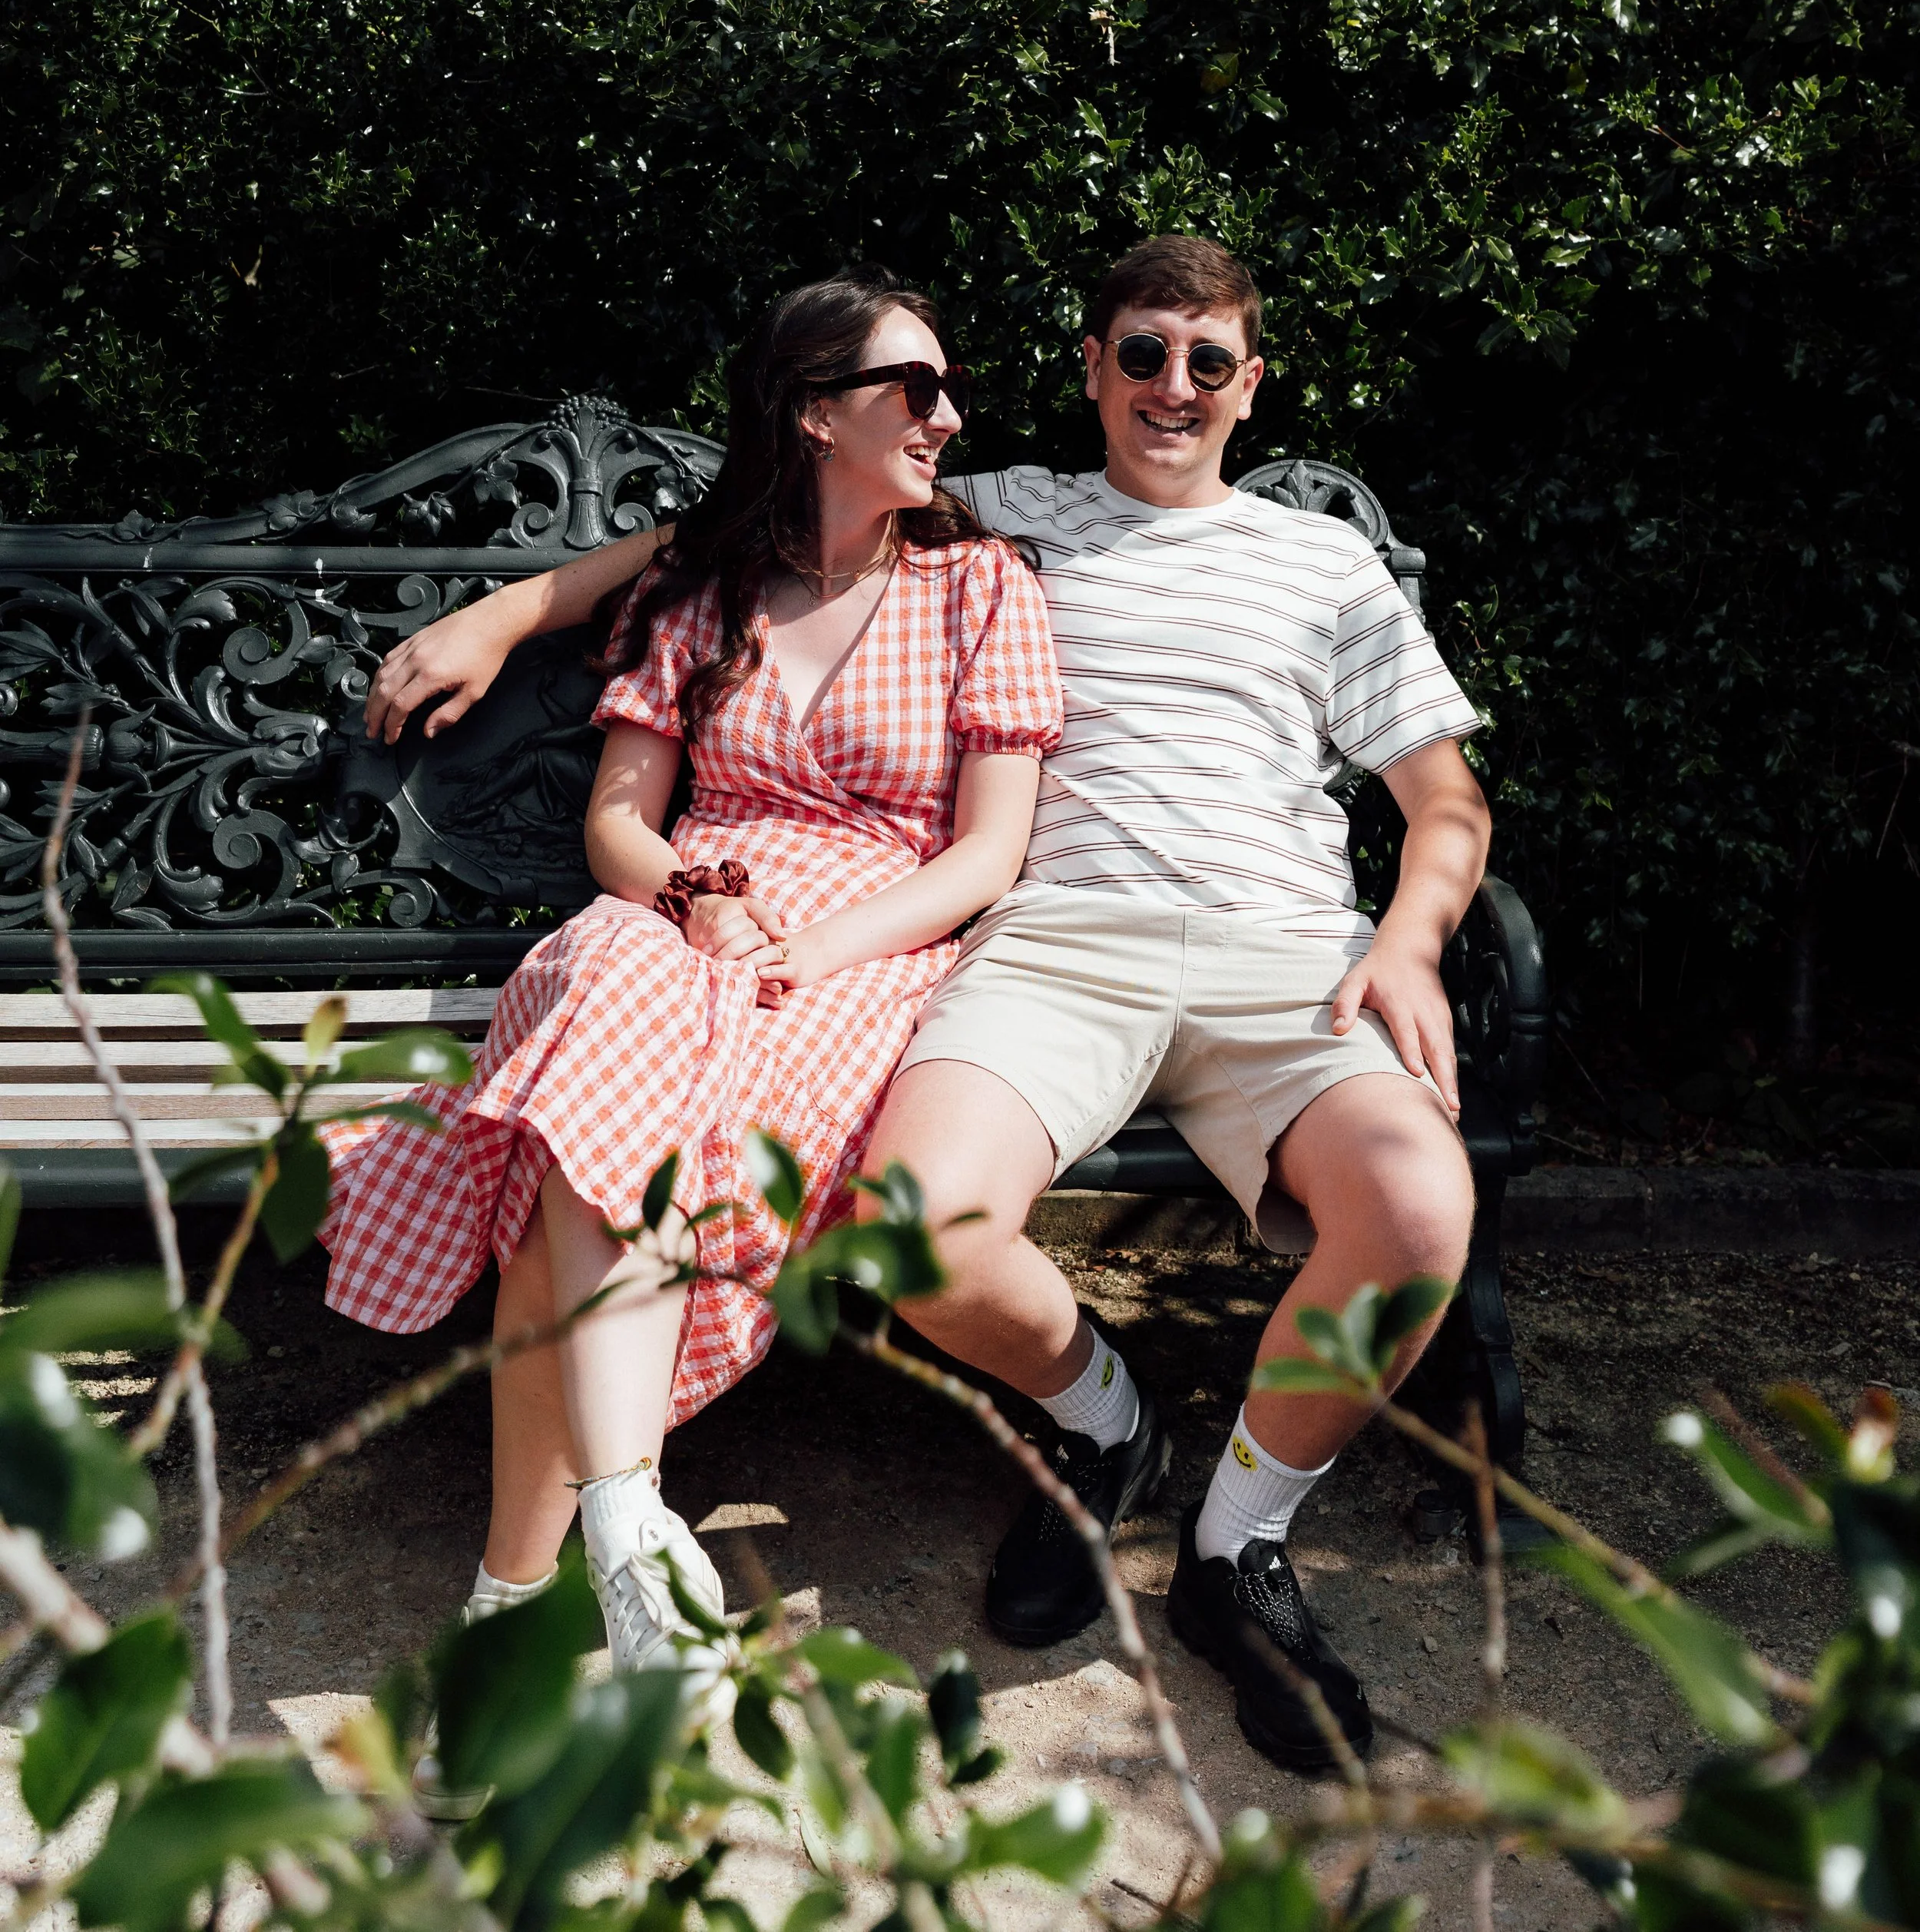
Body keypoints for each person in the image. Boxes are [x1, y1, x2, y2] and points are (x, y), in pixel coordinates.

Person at [364, 234, 1488, 1778]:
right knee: (906, 1224)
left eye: (1207, 359)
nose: (1172, 386)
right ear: (1092, 368)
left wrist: (1414, 938)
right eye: (1142, 353)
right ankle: (1107, 1427)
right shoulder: (1005, 514)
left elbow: (1444, 801)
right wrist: (505, 615)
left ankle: (1236, 1546)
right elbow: (729, 527)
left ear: (1249, 383)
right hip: (1057, 948)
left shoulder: (1320, 567)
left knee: (1419, 1212)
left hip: (1283, 951)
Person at [321, 274, 1061, 1699]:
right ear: (815, 412)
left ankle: (518, 1601)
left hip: (866, 950)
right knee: (608, 986)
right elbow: (620, 824)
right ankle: (623, 1524)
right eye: (915, 389)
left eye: (951, 390)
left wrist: (816, 948)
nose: (949, 419)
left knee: (569, 1166)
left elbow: (986, 856)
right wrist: (692, 900)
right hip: (680, 917)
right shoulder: (707, 588)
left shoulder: (980, 587)